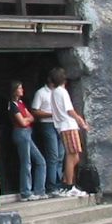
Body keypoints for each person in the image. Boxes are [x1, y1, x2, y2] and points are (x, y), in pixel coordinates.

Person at [49, 67, 92, 196]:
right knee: (71, 155)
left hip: (63, 126)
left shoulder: (54, 93)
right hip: (68, 126)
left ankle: (65, 182)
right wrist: (81, 121)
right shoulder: (62, 92)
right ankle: (69, 185)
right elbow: (70, 110)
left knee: (75, 156)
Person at [7, 80, 44, 201]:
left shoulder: (21, 103)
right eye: (19, 88)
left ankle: (39, 190)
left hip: (27, 133)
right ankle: (25, 192)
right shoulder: (12, 105)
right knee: (26, 163)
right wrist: (27, 119)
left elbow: (31, 117)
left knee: (40, 161)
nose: (22, 90)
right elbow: (22, 122)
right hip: (21, 133)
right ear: (14, 90)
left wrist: (27, 119)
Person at [31, 69, 64, 198]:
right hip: (47, 124)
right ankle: (52, 186)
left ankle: (59, 183)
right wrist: (52, 114)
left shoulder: (60, 92)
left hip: (60, 124)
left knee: (61, 155)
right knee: (53, 155)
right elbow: (35, 111)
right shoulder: (41, 93)